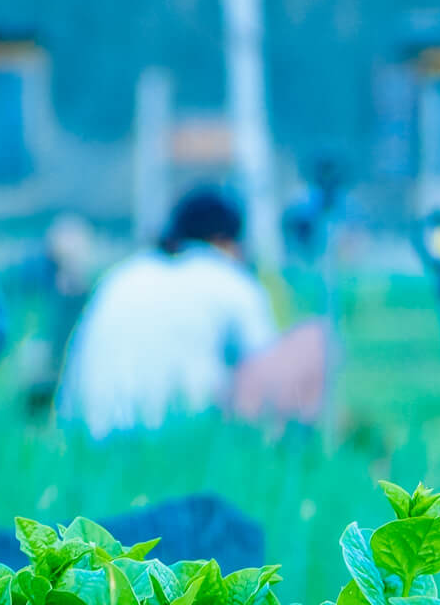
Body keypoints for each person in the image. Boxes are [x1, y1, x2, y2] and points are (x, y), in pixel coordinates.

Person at [54, 186, 325, 438]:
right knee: (316, 338)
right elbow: (263, 361)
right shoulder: (228, 277)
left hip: (87, 433)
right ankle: (285, 450)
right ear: (225, 241)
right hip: (180, 430)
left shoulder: (124, 273)